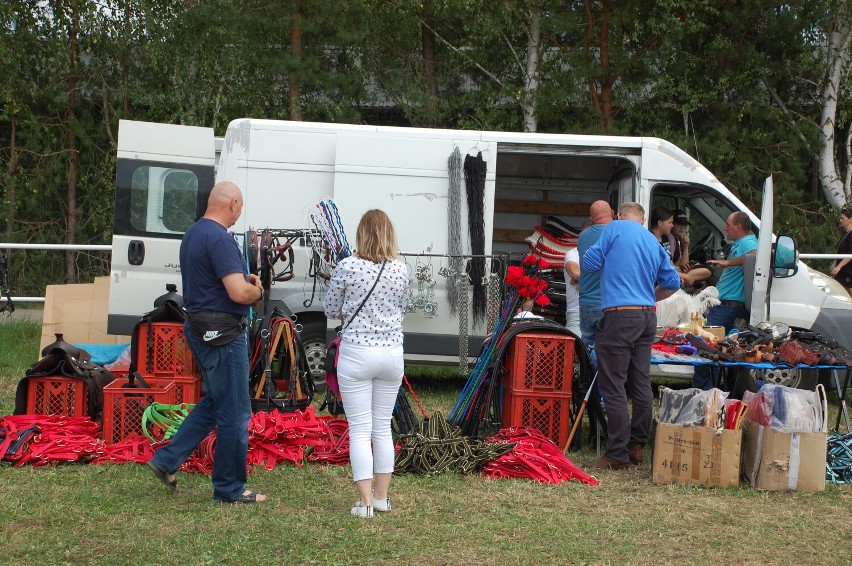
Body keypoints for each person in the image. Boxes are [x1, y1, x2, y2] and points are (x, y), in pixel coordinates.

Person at [148, 181, 266, 504]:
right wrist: (258, 291)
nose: (239, 213)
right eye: (239, 207)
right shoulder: (220, 239)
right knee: (236, 412)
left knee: (215, 402)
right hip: (224, 334)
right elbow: (239, 293)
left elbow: (217, 283)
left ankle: (166, 460)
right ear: (232, 203)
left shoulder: (193, 234)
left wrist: (244, 282)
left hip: (199, 328)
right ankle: (229, 488)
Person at [324, 209, 410, 519]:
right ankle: (383, 497)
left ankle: (365, 504)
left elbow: (331, 309)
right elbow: (403, 307)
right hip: (391, 353)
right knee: (382, 427)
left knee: (360, 430)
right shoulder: (401, 270)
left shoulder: (347, 266)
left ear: (361, 234)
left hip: (357, 352)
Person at [582, 202, 681, 469]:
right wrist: (650, 295)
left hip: (619, 315)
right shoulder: (652, 239)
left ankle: (616, 453)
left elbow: (589, 263)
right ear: (643, 218)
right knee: (640, 382)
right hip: (647, 316)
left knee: (613, 386)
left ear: (619, 215)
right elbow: (674, 282)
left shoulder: (613, 229)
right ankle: (636, 446)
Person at [692, 211, 758, 390]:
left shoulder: (749, 241)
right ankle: (709, 390)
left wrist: (728, 263)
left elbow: (755, 254)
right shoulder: (740, 243)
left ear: (738, 226)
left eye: (727, 224)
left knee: (706, 347)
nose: (724, 227)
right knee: (715, 350)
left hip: (728, 306)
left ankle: (701, 390)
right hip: (725, 305)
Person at [577, 200, 614, 348]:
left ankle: (587, 371)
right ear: (611, 213)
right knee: (607, 349)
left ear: (591, 218)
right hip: (608, 303)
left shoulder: (583, 236)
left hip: (586, 302)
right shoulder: (615, 233)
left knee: (587, 345)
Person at [671, 211, 712, 290]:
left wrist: (686, 246)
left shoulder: (678, 240)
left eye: (685, 225)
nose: (682, 227)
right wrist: (683, 271)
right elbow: (670, 264)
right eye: (679, 224)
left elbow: (683, 264)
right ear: (672, 223)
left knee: (703, 281)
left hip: (678, 271)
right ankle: (686, 279)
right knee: (708, 271)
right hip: (672, 274)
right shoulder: (669, 239)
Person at [832, 207, 852, 294]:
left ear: (850, 219)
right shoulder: (845, 233)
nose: (840, 220)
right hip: (842, 271)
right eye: (840, 218)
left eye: (843, 218)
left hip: (849, 271)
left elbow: (851, 253)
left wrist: (838, 266)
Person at [563, 245, 581, 336]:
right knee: (575, 348)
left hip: (601, 312)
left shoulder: (602, 253)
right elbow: (575, 273)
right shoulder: (573, 253)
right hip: (577, 313)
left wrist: (580, 277)